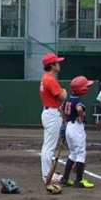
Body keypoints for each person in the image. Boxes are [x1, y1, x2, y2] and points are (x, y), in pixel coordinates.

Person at [60, 76, 95, 189]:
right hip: (77, 128)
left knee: (73, 153)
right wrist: (80, 117)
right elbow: (79, 109)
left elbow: (61, 108)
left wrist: (65, 121)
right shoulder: (78, 100)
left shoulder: (69, 99)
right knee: (80, 154)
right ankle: (78, 181)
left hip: (69, 127)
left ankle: (65, 178)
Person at [40, 53, 67, 181]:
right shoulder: (50, 79)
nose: (59, 64)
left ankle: (47, 174)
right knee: (49, 146)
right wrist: (64, 91)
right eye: (57, 62)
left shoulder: (46, 78)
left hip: (49, 111)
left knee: (48, 145)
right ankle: (47, 175)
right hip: (51, 113)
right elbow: (63, 96)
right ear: (52, 65)